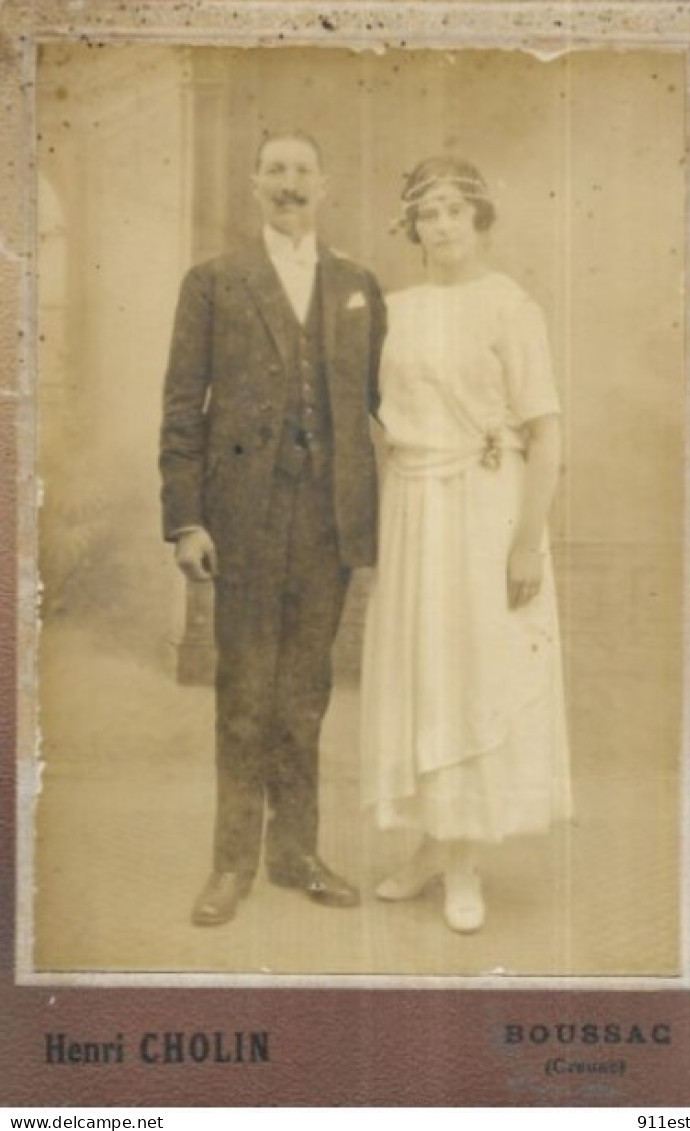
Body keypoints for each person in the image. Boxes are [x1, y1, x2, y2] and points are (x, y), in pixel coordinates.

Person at [160, 130, 386, 926]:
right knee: (245, 694)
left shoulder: (358, 284)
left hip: (325, 522)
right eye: (275, 170)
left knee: (306, 694)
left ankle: (296, 852)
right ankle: (231, 863)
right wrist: (187, 520)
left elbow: (393, 399)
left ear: (324, 185)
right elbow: (183, 409)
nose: (290, 184)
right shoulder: (213, 283)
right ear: (254, 184)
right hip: (243, 520)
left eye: (302, 170)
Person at [360, 155, 571, 934]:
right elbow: (377, 412)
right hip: (414, 506)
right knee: (423, 670)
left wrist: (525, 543)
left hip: (488, 508)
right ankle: (428, 843)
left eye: (454, 210)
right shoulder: (395, 306)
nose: (441, 225)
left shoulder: (509, 305)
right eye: (427, 213)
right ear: (410, 227)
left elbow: (545, 431)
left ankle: (463, 864)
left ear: (478, 219)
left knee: (473, 671)